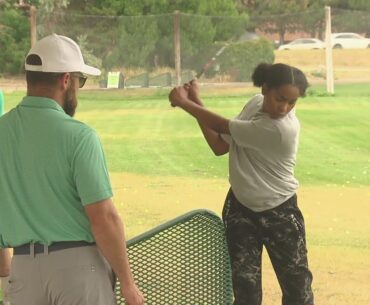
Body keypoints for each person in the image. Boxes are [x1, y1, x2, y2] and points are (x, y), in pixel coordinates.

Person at [0, 34, 144, 305]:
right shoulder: (79, 136)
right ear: (66, 79)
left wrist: (4, 274)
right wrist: (128, 283)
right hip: (78, 271)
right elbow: (103, 219)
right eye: (80, 80)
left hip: (22, 273)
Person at [169, 63, 314, 305]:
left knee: (297, 292)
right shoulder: (255, 104)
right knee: (245, 294)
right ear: (265, 88)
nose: (285, 108)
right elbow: (219, 144)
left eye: (292, 102)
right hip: (241, 209)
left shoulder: (281, 129)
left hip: (280, 213)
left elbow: (223, 127)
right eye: (280, 99)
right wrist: (195, 100)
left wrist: (186, 103)